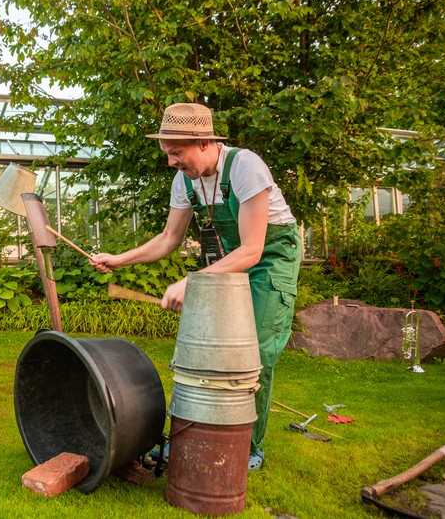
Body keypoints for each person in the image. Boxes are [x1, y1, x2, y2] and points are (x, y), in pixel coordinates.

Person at [90, 103, 300, 470]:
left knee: (255, 355)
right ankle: (193, 436)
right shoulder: (185, 180)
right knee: (208, 351)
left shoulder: (246, 167)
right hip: (229, 263)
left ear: (203, 142)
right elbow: (169, 238)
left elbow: (253, 250)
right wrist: (120, 259)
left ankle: (248, 447)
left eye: (176, 153)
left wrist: (193, 281)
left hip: (270, 261)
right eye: (168, 154)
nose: (171, 162)